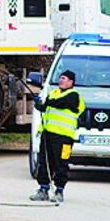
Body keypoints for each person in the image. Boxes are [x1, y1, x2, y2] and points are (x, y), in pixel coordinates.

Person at [29, 70, 86, 203]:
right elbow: (47, 108)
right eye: (60, 78)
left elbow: (61, 103)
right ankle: (43, 189)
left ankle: (59, 191)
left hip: (64, 137)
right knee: (44, 162)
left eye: (64, 78)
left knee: (61, 164)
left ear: (71, 82)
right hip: (48, 134)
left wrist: (45, 103)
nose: (61, 80)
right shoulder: (53, 93)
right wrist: (39, 105)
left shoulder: (73, 96)